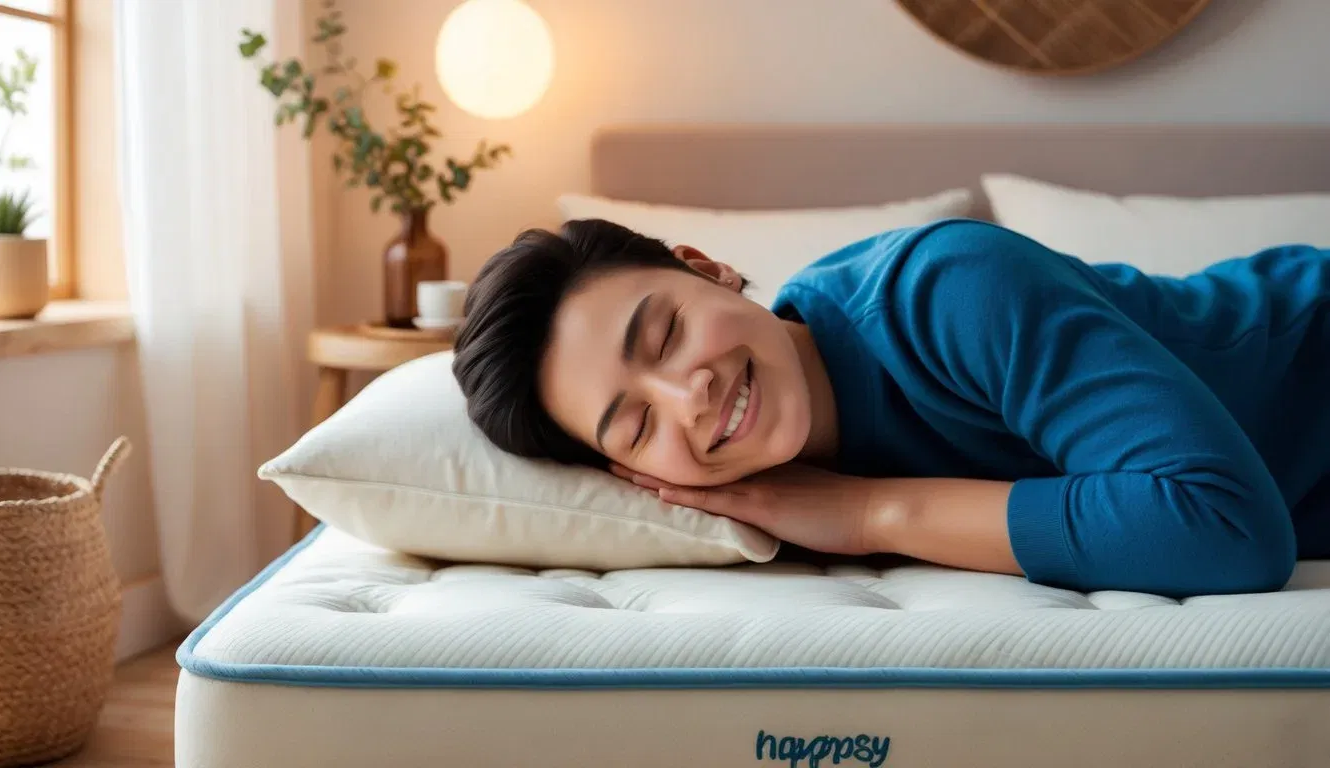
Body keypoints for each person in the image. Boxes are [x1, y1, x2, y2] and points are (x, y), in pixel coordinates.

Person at [452, 217, 1330, 598]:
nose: (691, 395)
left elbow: (1227, 527)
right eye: (637, 426)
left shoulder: (947, 289)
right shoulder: (742, 503)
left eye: (667, 333)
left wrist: (870, 512)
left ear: (705, 264)